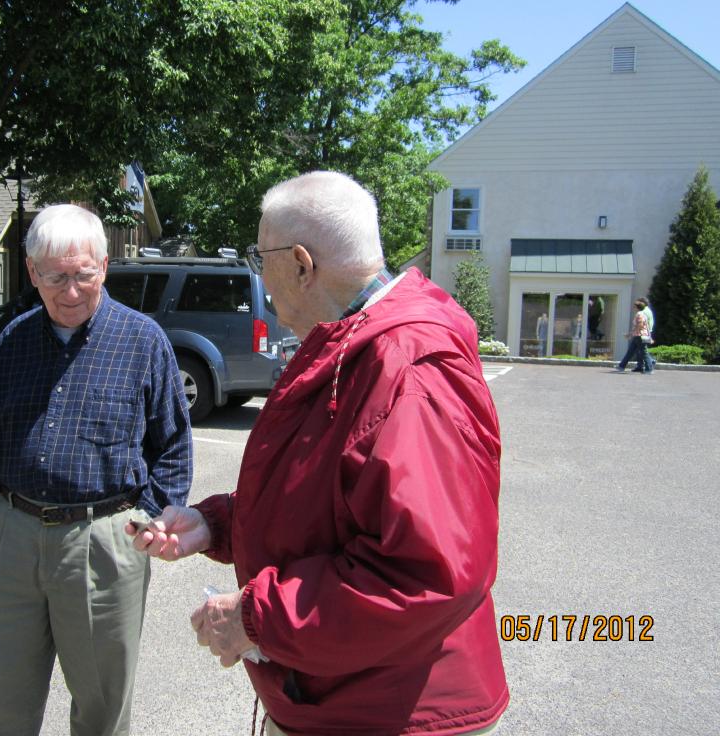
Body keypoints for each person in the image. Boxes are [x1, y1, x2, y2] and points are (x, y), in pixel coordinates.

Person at [130, 171, 508, 735]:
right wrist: (217, 525)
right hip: (347, 700)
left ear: (302, 265)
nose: (262, 281)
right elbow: (324, 498)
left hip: (391, 715)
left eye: (263, 261)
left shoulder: (407, 370)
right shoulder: (352, 344)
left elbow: (423, 575)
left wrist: (254, 619)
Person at [0, 204, 193, 735]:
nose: (72, 290)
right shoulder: (12, 341)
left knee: (102, 704)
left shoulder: (143, 340)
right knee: (1, 703)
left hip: (104, 539)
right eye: (56, 276)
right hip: (14, 532)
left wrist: (148, 516)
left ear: (104, 265)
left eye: (84, 274)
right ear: (32, 272)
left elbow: (172, 443)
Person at [615, 298, 654, 374]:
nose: (633, 308)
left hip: (640, 336)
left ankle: (649, 368)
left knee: (643, 352)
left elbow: (640, 325)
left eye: (634, 306)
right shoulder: (643, 313)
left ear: (637, 307)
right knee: (631, 351)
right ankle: (622, 366)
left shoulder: (640, 314)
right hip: (640, 335)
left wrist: (630, 333)